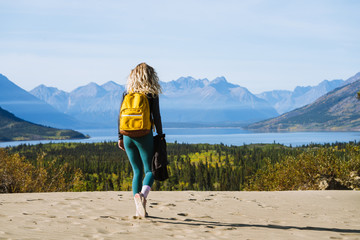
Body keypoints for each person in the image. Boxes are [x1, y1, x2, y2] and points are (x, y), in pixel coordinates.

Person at [118, 62, 163, 218]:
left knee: (136, 171)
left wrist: (120, 137)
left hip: (127, 135)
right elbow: (156, 116)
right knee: (150, 170)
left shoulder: (127, 94)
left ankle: (138, 208)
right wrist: (161, 135)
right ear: (150, 76)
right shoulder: (151, 93)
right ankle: (142, 195)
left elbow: (120, 116)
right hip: (145, 134)